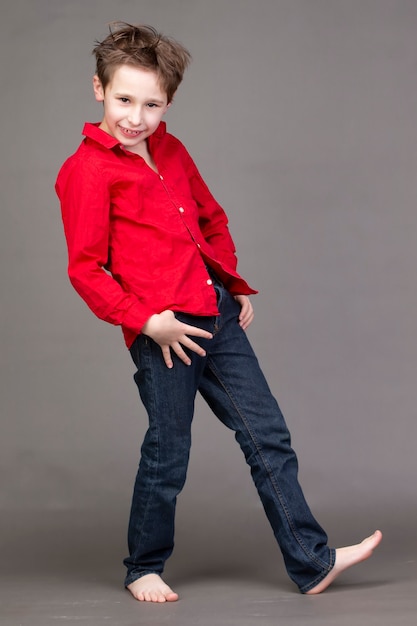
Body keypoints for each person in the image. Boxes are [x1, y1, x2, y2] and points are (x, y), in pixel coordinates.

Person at [55, 22, 382, 603]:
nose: (136, 117)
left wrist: (230, 282)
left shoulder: (172, 150)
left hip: (215, 314)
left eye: (151, 104)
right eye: (125, 99)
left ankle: (311, 560)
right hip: (163, 330)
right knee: (169, 447)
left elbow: (210, 216)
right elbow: (86, 269)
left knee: (268, 435)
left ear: (168, 103)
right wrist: (145, 321)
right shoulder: (86, 170)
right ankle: (144, 566)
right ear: (99, 89)